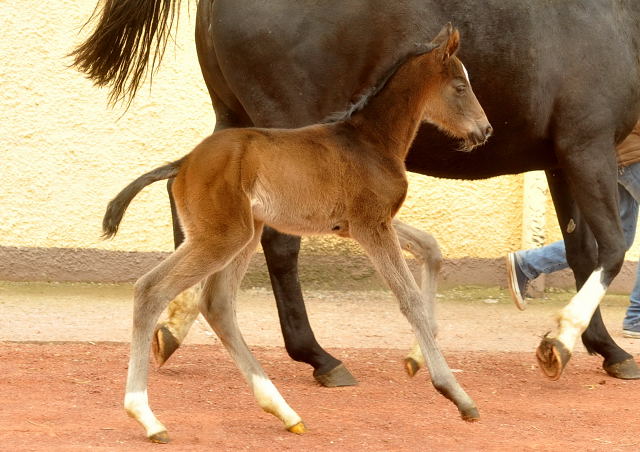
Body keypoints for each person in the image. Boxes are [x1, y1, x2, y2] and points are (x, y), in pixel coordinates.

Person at [506, 122, 640, 338]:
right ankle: (637, 317)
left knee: (619, 239)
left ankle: (528, 263)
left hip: (621, 156)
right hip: (633, 156)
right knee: (617, 239)